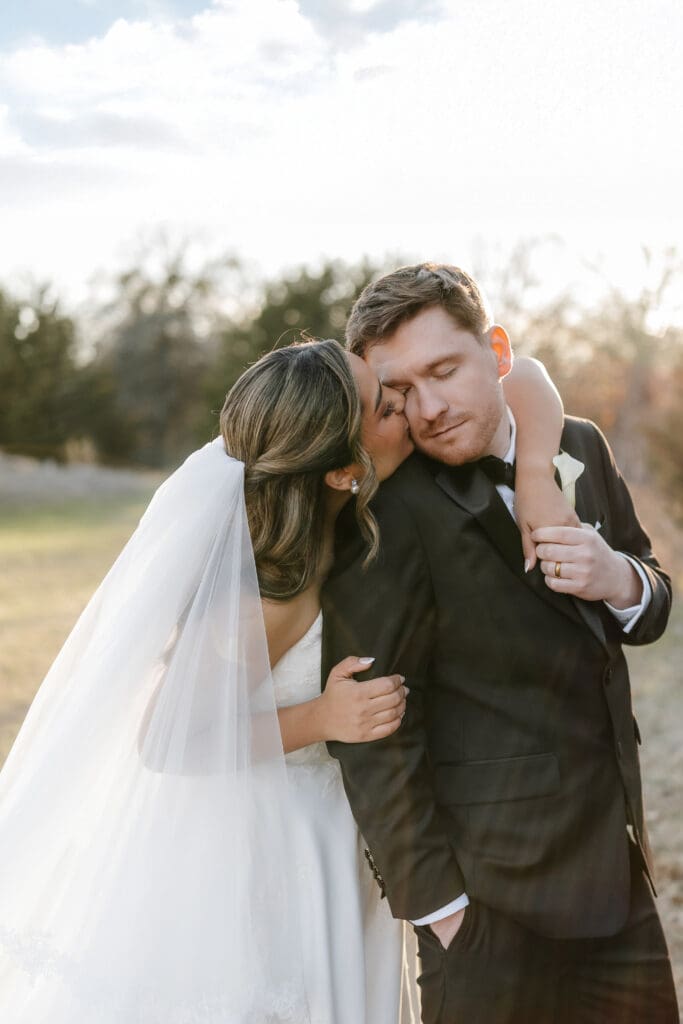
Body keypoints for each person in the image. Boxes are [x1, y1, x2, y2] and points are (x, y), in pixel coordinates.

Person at [0, 335, 567, 1023]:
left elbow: (525, 372)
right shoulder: (268, 594)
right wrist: (322, 720)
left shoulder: (341, 499)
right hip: (268, 846)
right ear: (340, 471)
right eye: (386, 407)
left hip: (337, 827)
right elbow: (165, 740)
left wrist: (535, 472)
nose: (410, 410)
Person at [321, 263, 679, 1023]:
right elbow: (373, 732)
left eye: (444, 370)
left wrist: (617, 578)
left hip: (618, 877)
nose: (430, 407)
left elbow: (649, 605)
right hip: (489, 915)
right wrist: (443, 914)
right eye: (401, 391)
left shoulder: (576, 443)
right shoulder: (392, 508)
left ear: (498, 352)